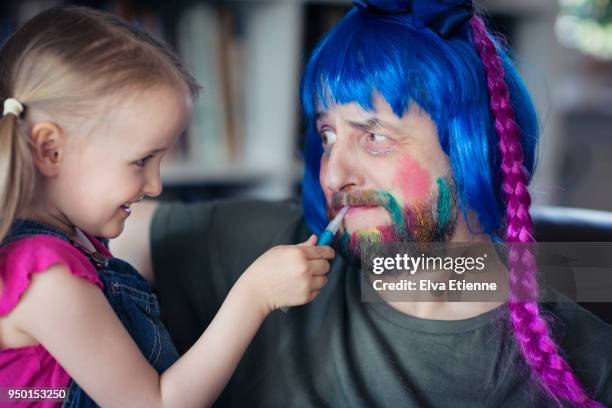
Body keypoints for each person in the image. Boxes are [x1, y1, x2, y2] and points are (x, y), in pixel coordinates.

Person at [116, 0, 612, 407]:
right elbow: (80, 225)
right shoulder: (270, 248)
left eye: (374, 136)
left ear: (470, 149)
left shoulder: (591, 357)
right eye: (327, 135)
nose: (332, 174)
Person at [0, 6, 334, 407]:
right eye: (141, 161)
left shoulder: (70, 242)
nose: (156, 185)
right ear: (50, 149)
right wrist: (255, 296)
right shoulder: (46, 277)